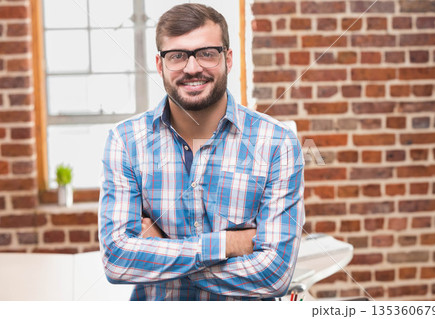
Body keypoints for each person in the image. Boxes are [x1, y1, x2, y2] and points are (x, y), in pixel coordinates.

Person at [99, 3, 304, 301]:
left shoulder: (277, 143)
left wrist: (162, 248)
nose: (192, 68)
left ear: (228, 59)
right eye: (177, 56)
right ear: (160, 65)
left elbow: (274, 276)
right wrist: (225, 244)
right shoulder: (125, 142)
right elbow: (117, 261)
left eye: (207, 53)